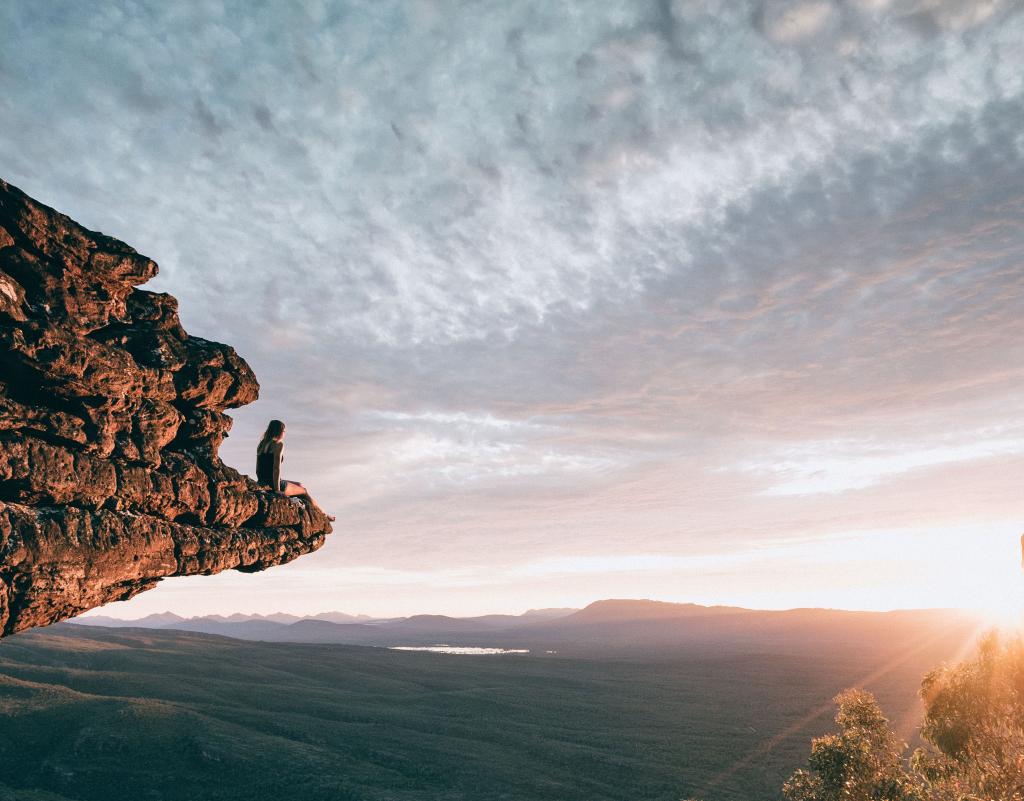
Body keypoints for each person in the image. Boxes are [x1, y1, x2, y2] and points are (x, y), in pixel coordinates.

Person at [256, 420, 335, 521]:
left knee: (299, 484)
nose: (284, 433)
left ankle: (311, 511)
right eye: (284, 431)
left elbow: (258, 469)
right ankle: (323, 515)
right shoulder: (278, 445)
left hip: (263, 481)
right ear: (279, 431)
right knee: (304, 491)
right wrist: (277, 490)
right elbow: (276, 468)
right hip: (274, 483)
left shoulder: (261, 445)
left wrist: (261, 483)